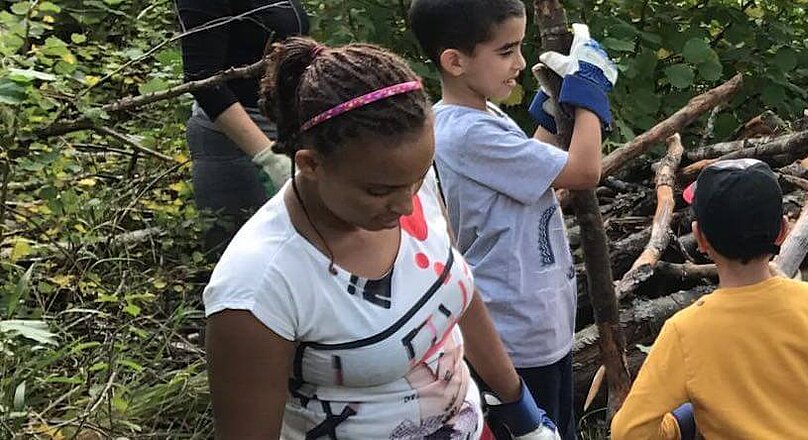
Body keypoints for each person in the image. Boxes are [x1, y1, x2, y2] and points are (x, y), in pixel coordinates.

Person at [199, 38, 556, 439]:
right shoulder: (259, 287)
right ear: (311, 164)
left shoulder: (404, 180)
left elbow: (458, 291)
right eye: (378, 192)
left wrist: (521, 410)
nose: (406, 207)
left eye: (417, 179)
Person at [406, 1, 615, 436]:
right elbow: (584, 171)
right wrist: (590, 93)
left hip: (533, 321)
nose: (520, 63)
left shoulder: (478, 117)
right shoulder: (467, 134)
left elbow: (531, 173)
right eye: (506, 51)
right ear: (455, 61)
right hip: (516, 331)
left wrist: (554, 107)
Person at [610, 159, 808, 439]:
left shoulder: (687, 331)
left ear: (700, 237)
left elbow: (627, 431)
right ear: (782, 231)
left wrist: (678, 426)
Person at [176, 0, 306, 256]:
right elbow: (202, 81)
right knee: (249, 256)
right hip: (234, 143)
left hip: (287, 129)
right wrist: (269, 157)